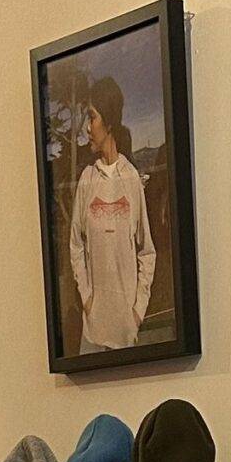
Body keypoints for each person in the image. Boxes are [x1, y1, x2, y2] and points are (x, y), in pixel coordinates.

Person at [67, 77, 156, 351]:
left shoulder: (130, 178)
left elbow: (147, 252)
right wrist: (87, 298)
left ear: (109, 121)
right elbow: (75, 245)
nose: (87, 127)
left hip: (125, 332)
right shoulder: (86, 179)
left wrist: (137, 311)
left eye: (91, 118)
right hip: (93, 331)